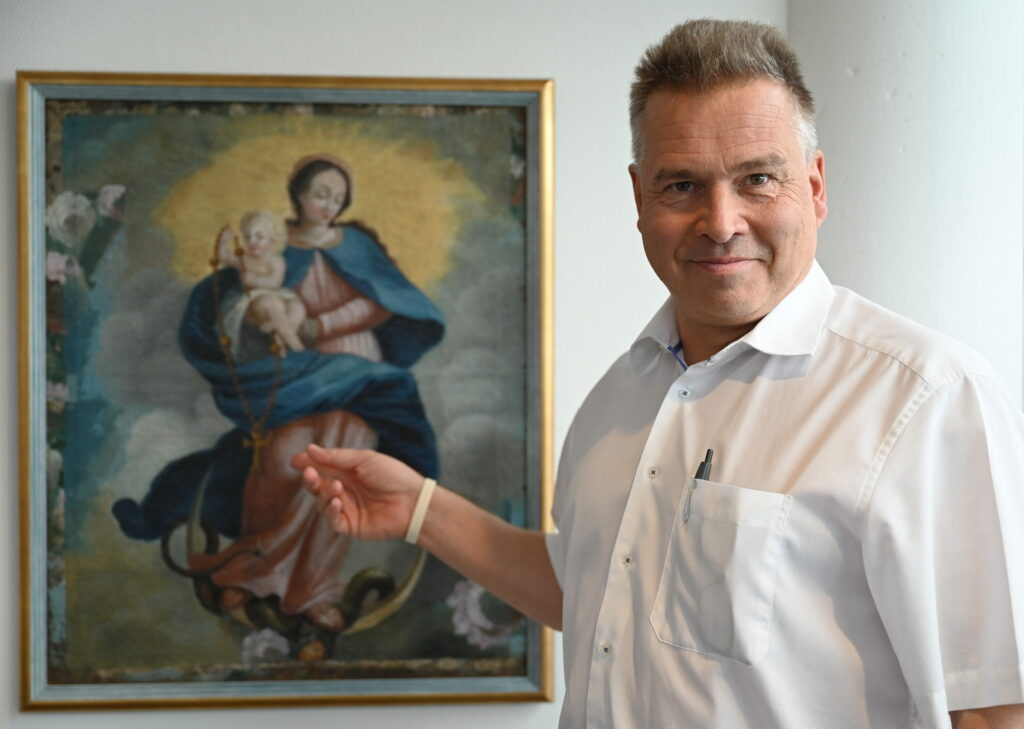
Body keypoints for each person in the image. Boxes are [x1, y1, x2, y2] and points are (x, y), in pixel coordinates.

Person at [293, 19, 1024, 728]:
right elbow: (593, 588)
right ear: (640, 199)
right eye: (682, 187)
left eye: (758, 179)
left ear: (816, 186)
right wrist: (421, 508)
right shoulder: (619, 396)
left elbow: (994, 705)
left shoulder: (926, 397)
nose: (721, 220)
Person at [113, 153, 444, 636]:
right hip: (291, 373)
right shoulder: (271, 241)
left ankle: (313, 590)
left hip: (358, 373)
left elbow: (382, 301)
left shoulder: (356, 245)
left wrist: (317, 323)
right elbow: (234, 295)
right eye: (320, 194)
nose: (330, 205)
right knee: (283, 460)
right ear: (298, 196)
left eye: (338, 197)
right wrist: (248, 310)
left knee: (338, 474)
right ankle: (254, 572)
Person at [216, 209, 307, 353]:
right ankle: (294, 343)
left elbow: (275, 283)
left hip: (276, 294)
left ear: (272, 240)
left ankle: (280, 338)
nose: (252, 242)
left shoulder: (276, 260)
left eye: (259, 237)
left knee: (297, 307)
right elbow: (223, 256)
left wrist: (254, 280)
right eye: (247, 237)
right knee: (271, 303)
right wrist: (223, 241)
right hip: (253, 301)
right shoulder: (244, 258)